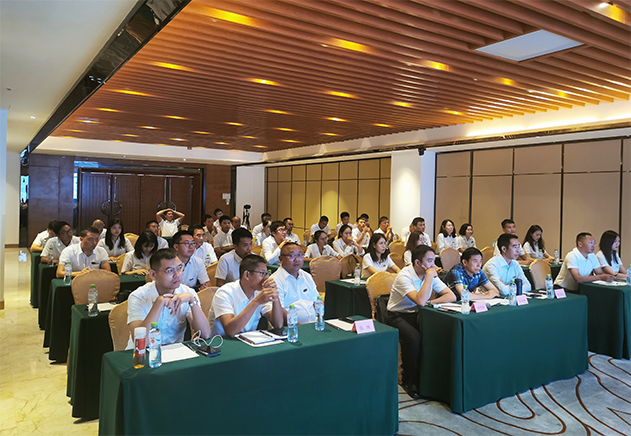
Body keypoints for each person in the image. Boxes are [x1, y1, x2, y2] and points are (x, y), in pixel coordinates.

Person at [386, 245, 456, 398]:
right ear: (417, 262)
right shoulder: (404, 276)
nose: (433, 265)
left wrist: (431, 302)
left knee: (437, 334)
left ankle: (431, 377)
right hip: (397, 315)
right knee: (414, 338)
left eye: (433, 261)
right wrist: (430, 277)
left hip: (419, 313)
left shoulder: (428, 274)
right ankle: (410, 380)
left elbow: (451, 296)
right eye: (429, 261)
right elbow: (420, 300)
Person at [126, 248, 210, 348]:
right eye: (169, 270)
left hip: (174, 352)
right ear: (153, 275)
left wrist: (192, 301)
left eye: (179, 268)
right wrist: (159, 303)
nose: (177, 275)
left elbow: (205, 334)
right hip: (142, 354)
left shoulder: (187, 293)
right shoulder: (138, 296)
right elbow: (142, 343)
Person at [209, 254, 283, 337]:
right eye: (262, 273)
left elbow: (278, 324)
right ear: (247, 275)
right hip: (222, 341)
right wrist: (256, 302)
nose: (266, 278)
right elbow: (230, 331)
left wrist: (275, 296)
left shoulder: (258, 292)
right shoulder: (225, 292)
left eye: (267, 274)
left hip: (248, 340)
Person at [270, 243, 319, 323]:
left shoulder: (306, 276)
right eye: (291, 256)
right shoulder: (275, 280)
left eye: (300, 255)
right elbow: (279, 310)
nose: (297, 259)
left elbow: (316, 301)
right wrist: (298, 326)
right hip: (292, 327)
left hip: (314, 324)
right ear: (281, 259)